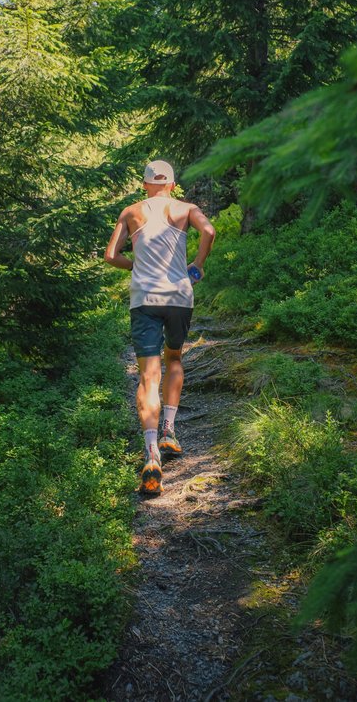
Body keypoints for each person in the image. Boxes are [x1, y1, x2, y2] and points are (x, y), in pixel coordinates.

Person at [104, 160, 216, 495]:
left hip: (145, 300)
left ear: (144, 185)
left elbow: (110, 255)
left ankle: (151, 451)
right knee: (175, 360)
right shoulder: (185, 208)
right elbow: (208, 231)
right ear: (172, 184)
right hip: (179, 298)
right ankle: (169, 428)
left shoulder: (131, 211)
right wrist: (196, 265)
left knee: (148, 375)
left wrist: (135, 264)